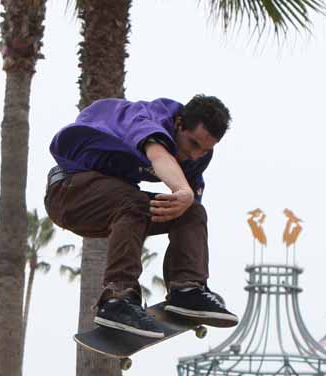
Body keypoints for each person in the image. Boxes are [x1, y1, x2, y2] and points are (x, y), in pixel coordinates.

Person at [44, 94, 239, 339]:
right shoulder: (146, 119)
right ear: (178, 124)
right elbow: (159, 156)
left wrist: (186, 203)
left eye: (206, 149)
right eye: (192, 144)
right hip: (69, 193)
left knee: (192, 212)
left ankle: (187, 289)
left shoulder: (197, 156)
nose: (195, 155)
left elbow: (188, 221)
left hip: (111, 205)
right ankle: (118, 298)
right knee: (134, 200)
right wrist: (183, 190)